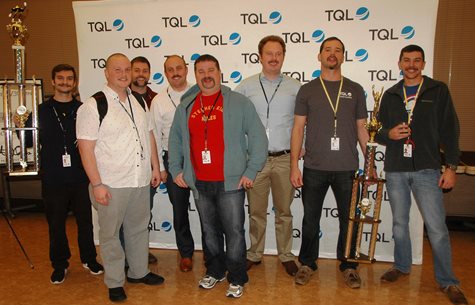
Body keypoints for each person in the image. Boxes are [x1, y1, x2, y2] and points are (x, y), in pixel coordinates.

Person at [168, 54, 267, 298]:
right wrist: (176, 169)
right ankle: (215, 270)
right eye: (201, 71)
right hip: (199, 182)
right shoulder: (186, 106)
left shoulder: (239, 102)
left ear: (220, 72)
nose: (206, 75)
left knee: (234, 232)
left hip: (231, 181)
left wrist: (252, 170)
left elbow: (257, 137)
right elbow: (176, 140)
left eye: (211, 70)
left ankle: (236, 276)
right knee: (209, 231)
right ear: (195, 75)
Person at [376, 44, 468, 305]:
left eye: (417, 60)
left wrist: (451, 166)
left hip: (427, 168)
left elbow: (451, 129)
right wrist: (388, 134)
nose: (412, 65)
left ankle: (448, 281)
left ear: (423, 64)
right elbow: (379, 130)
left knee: (437, 229)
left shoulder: (437, 90)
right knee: (399, 224)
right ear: (399, 63)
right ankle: (402, 266)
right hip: (396, 168)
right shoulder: (392, 94)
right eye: (407, 60)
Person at [77, 53, 164, 302]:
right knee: (110, 235)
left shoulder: (139, 100)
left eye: (127, 69)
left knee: (138, 229)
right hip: (111, 184)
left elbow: (149, 136)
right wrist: (97, 184)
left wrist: (155, 168)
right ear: (106, 73)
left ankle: (138, 272)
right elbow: (85, 149)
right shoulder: (93, 105)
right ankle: (115, 281)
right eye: (118, 69)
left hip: (140, 180)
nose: (124, 74)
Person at [290, 37, 369, 288]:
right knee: (310, 219)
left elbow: (361, 128)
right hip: (314, 167)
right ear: (319, 56)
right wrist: (294, 165)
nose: (332, 54)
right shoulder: (308, 89)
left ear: (344, 56)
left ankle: (349, 266)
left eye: (337, 51)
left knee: (349, 220)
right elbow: (298, 128)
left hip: (347, 168)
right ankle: (307, 263)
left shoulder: (355, 89)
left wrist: (370, 163)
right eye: (327, 50)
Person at [19, 64, 104, 285]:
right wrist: (21, 125)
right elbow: (27, 142)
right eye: (60, 78)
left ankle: (89, 259)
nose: (65, 82)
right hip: (53, 178)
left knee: (85, 222)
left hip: (80, 176)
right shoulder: (41, 111)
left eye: (69, 78)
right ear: (53, 81)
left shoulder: (85, 109)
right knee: (56, 224)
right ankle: (60, 264)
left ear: (74, 82)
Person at [235, 35, 300, 276]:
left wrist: (301, 146)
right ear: (260, 57)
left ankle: (285, 254)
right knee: (256, 212)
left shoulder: (295, 88)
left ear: (283, 56)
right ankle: (254, 253)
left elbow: (302, 123)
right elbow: (235, 122)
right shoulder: (245, 86)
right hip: (256, 161)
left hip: (285, 159)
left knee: (284, 211)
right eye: (269, 54)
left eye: (278, 54)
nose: (274, 58)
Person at [150, 55, 194, 272]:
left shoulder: (199, 94)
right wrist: (162, 167)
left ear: (186, 69)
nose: (175, 72)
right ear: (165, 73)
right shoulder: (158, 101)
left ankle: (212, 251)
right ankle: (185, 253)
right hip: (173, 158)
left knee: (207, 208)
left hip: (200, 158)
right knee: (179, 209)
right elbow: (155, 136)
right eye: (170, 69)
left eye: (179, 67)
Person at [128, 56, 158, 264]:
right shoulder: (120, 97)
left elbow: (154, 135)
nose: (140, 74)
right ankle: (126, 255)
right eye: (136, 70)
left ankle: (140, 252)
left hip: (148, 168)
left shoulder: (156, 99)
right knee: (125, 216)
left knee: (143, 214)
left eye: (144, 70)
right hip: (126, 169)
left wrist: (157, 167)